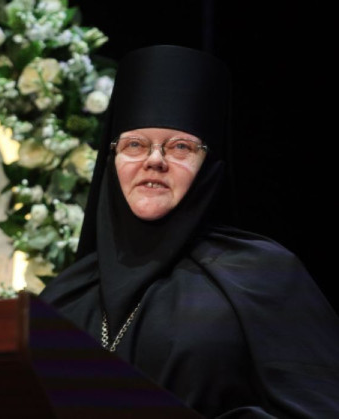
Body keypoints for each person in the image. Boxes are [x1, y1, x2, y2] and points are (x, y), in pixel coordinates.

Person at [39, 45, 339, 418]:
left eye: (180, 147)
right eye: (135, 144)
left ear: (209, 165)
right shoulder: (65, 297)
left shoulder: (265, 278)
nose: (154, 160)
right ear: (112, 159)